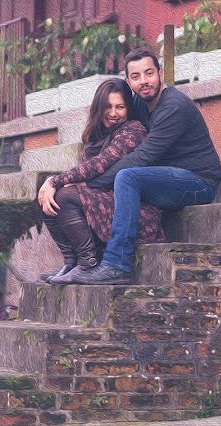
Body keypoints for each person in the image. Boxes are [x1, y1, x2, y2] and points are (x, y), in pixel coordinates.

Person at [67, 47, 221, 285]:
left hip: (198, 182)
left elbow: (143, 156)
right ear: (128, 81)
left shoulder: (174, 106)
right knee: (115, 181)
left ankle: (117, 264)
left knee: (128, 177)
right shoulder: (140, 103)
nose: (144, 81)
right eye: (136, 77)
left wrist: (92, 182)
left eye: (149, 73)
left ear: (160, 73)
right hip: (164, 179)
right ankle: (83, 261)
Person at [37, 78, 166, 284]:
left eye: (120, 107)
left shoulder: (133, 130)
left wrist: (56, 181)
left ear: (128, 109)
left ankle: (89, 263)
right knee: (47, 197)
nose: (113, 113)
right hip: (106, 202)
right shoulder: (96, 136)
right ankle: (73, 261)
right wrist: (51, 185)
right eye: (108, 107)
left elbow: (100, 164)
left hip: (137, 212)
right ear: (98, 108)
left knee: (64, 195)